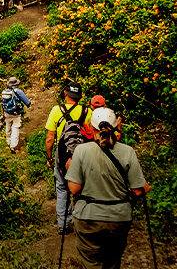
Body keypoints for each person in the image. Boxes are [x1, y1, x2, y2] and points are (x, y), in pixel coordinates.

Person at [66, 107, 150, 269]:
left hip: (88, 218)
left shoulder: (81, 151)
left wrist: (72, 170)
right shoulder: (128, 152)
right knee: (112, 262)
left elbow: (74, 189)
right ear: (117, 127)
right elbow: (138, 191)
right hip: (119, 218)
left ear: (91, 128)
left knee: (92, 263)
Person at [45, 80, 92, 234]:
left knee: (62, 189)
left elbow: (50, 138)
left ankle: (63, 226)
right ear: (80, 96)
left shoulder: (56, 110)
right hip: (83, 157)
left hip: (62, 158)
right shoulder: (87, 111)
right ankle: (82, 224)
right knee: (82, 190)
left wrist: (49, 157)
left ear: (65, 93)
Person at [1, 76, 31, 153]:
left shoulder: (4, 92)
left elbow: (2, 103)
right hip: (16, 114)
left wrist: (3, 114)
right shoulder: (19, 91)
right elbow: (27, 102)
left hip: (7, 113)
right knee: (15, 128)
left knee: (8, 128)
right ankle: (13, 146)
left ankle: (8, 142)